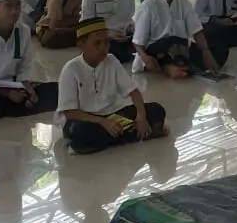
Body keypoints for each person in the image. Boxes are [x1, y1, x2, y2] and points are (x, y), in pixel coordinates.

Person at [56, 17, 168, 154]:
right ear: (81, 45)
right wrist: (102, 122)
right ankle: (132, 135)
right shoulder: (71, 70)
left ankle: (113, 139)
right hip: (83, 120)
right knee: (82, 133)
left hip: (112, 116)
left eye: (106, 42)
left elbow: (134, 92)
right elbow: (70, 112)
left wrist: (141, 116)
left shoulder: (111, 61)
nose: (103, 48)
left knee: (156, 109)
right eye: (97, 43)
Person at [132, 0, 225, 78]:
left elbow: (196, 31)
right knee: (168, 44)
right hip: (158, 51)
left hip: (179, 49)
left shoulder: (183, 2)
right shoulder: (147, 7)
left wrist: (206, 52)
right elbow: (138, 43)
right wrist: (145, 58)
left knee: (220, 48)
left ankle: (178, 66)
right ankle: (169, 67)